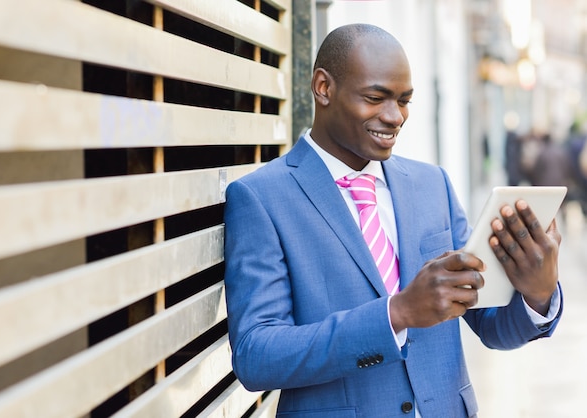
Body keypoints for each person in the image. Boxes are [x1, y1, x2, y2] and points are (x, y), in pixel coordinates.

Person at [223, 24, 563, 418]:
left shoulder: (431, 184)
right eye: (375, 98)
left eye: (404, 101)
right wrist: (395, 313)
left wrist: (537, 295)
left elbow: (490, 324)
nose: (394, 116)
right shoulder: (261, 197)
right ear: (323, 87)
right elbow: (256, 355)